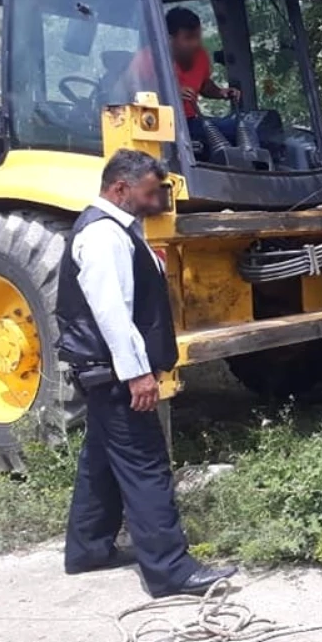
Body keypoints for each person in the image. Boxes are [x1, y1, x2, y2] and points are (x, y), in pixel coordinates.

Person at [58, 148, 237, 597]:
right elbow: (112, 314)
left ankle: (88, 549)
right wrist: (138, 374)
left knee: (100, 461)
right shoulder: (103, 237)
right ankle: (170, 570)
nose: (157, 198)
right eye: (149, 190)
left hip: (105, 372)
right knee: (147, 467)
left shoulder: (119, 231)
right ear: (120, 187)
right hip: (116, 374)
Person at [128, 7, 242, 146]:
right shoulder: (148, 58)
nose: (196, 43)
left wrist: (221, 92)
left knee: (242, 130)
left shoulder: (200, 55)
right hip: (156, 124)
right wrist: (169, 93)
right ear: (169, 39)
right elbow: (129, 89)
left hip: (189, 122)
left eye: (198, 37)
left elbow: (203, 84)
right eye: (188, 38)